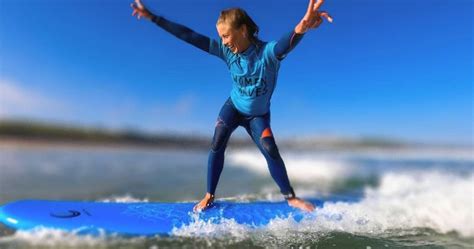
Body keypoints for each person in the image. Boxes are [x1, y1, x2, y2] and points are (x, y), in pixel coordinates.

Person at [131, 0, 332, 212]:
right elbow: (188, 35)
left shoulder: (267, 54)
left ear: (243, 30)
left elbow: (286, 43)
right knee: (218, 139)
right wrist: (153, 17)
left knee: (270, 148)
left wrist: (303, 25)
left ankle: (290, 197)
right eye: (221, 37)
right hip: (234, 107)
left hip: (258, 115)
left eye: (226, 35)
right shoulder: (227, 53)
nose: (224, 42)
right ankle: (209, 194)